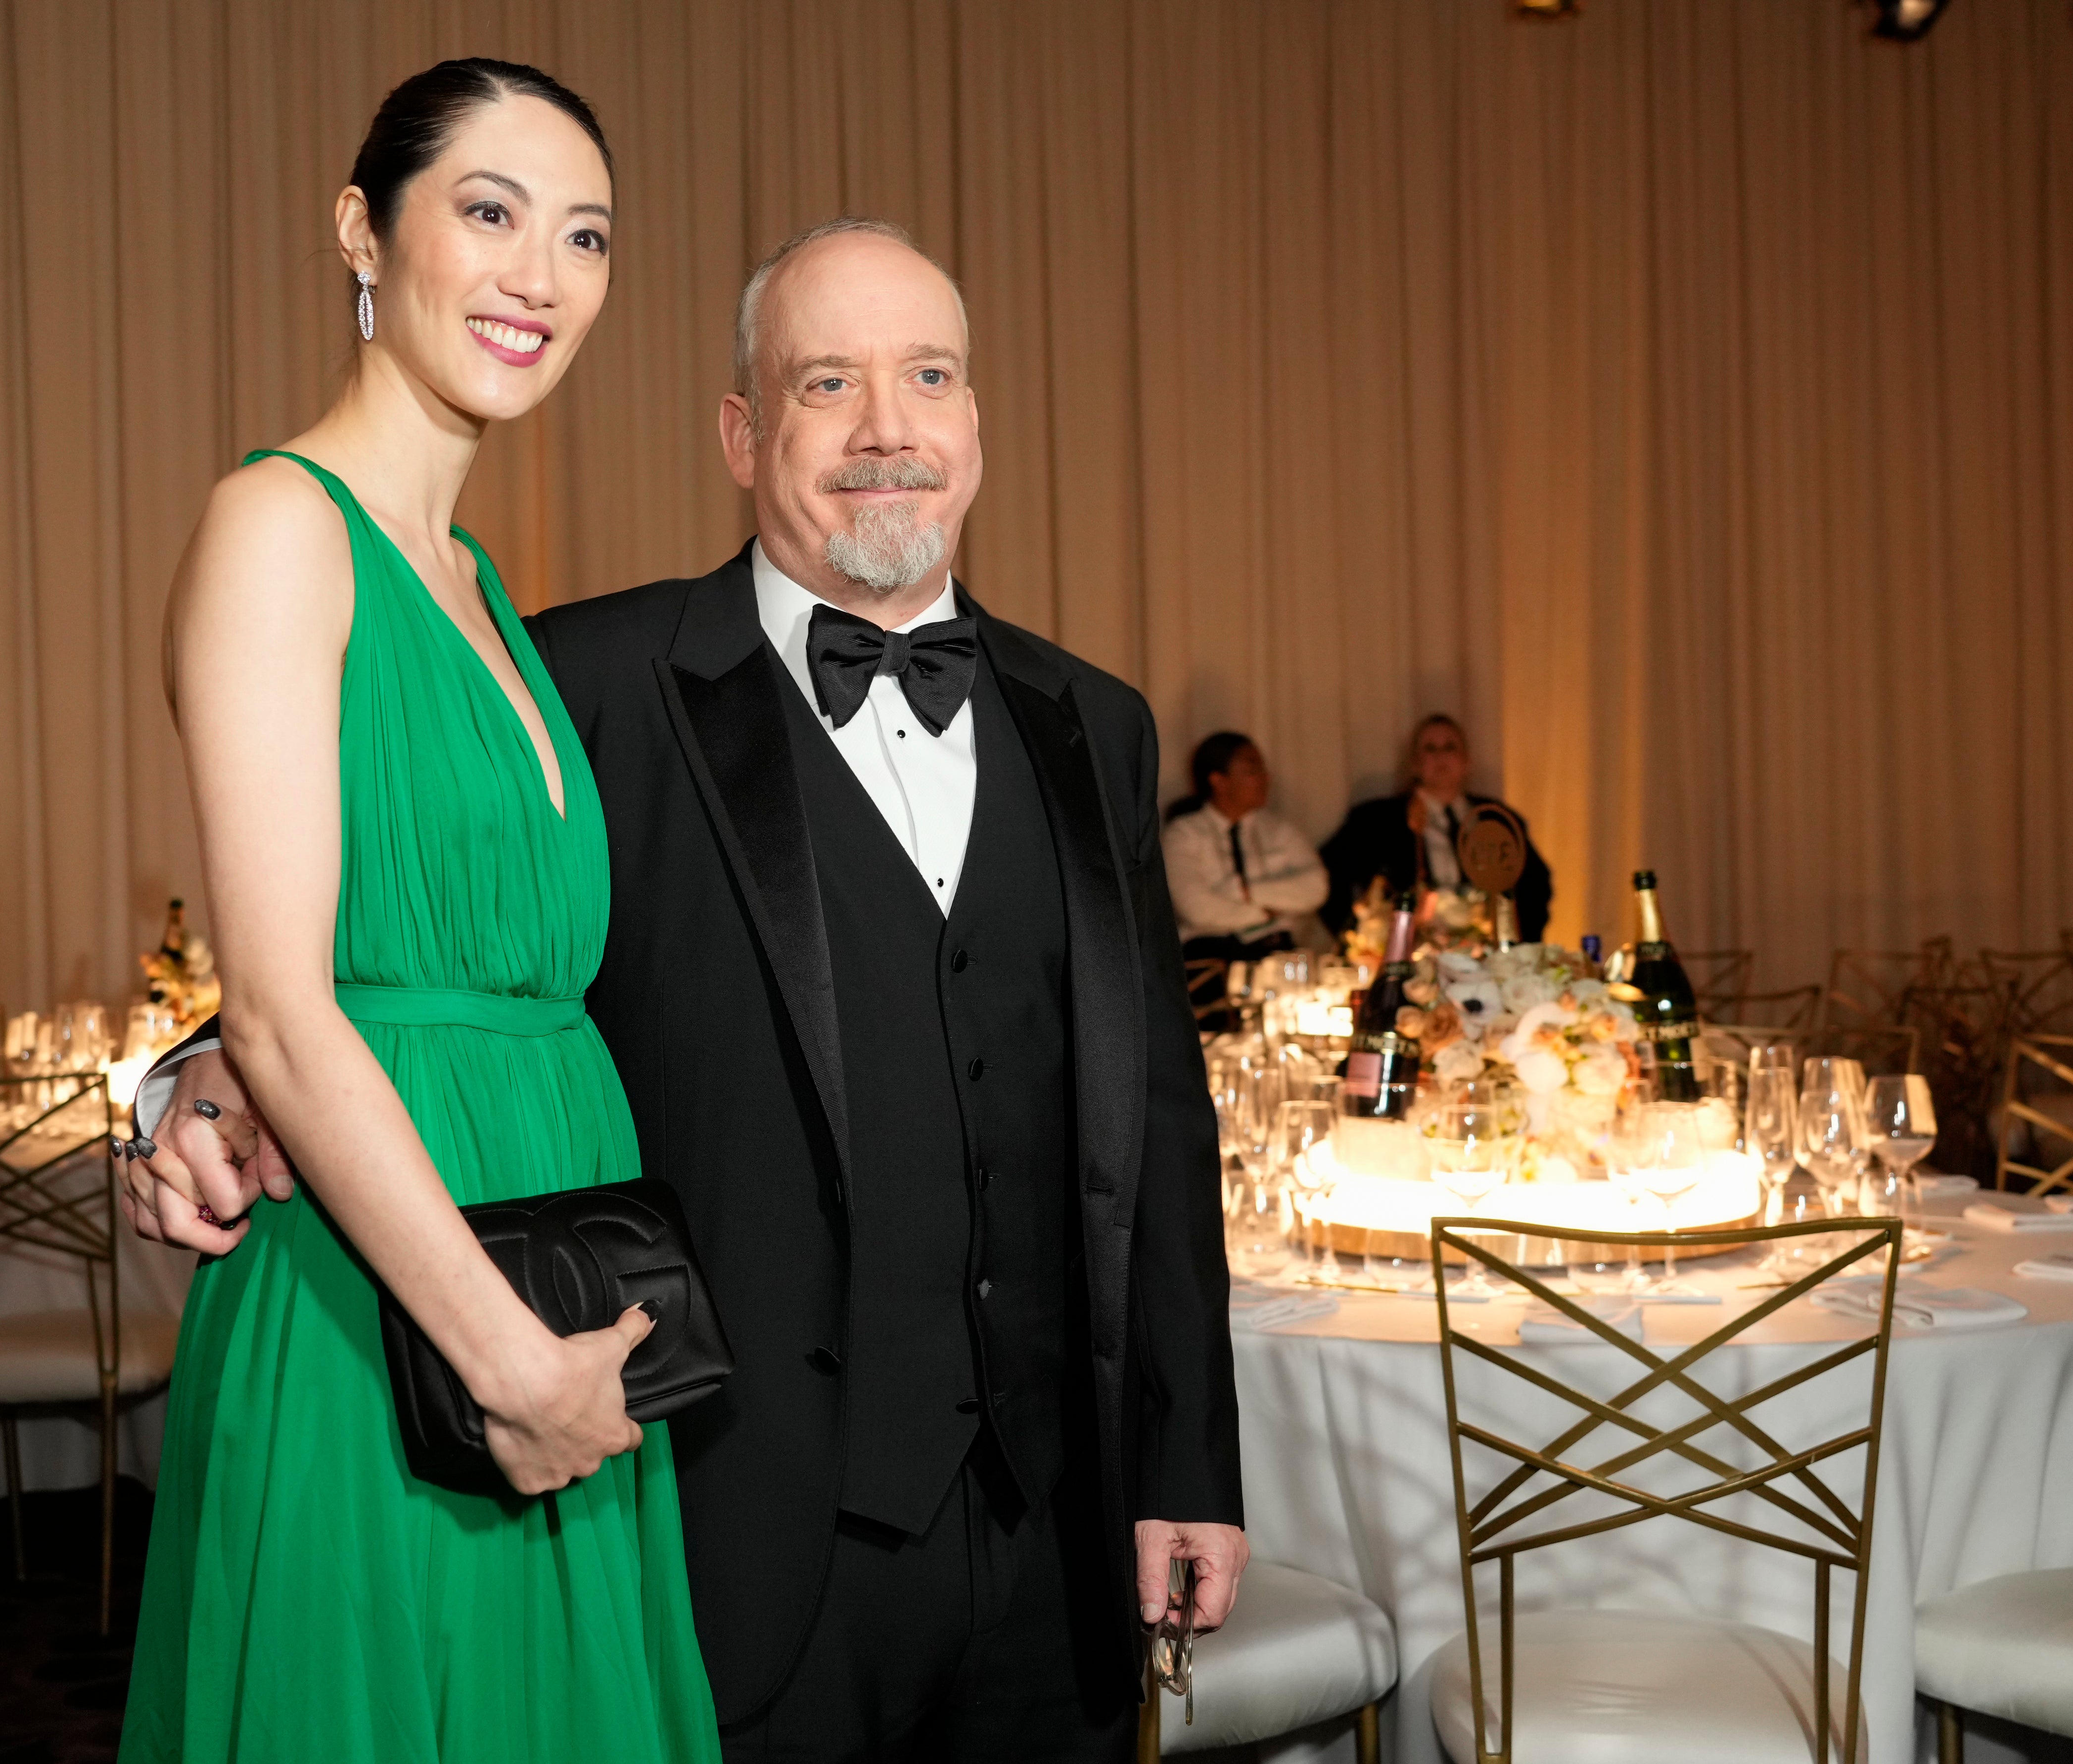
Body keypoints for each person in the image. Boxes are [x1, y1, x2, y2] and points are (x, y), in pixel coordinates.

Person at [134, 217, 1247, 1762]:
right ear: (742, 431)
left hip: (1053, 1542)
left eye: (928, 376)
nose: (886, 430)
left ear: (976, 423)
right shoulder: (579, 676)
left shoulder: (1099, 722)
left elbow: (1160, 1128)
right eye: (825, 383)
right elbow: (409, 933)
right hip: (733, 1522)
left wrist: (1184, 1456)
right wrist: (208, 1067)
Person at [110, 61, 717, 1764]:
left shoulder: (477, 585)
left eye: (583, 235)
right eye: (490, 211)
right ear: (360, 231)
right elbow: (290, 1008)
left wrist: (548, 1365)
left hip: (546, 1295)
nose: (539, 275)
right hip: (399, 1322)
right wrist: (503, 1364)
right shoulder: (275, 529)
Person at [1317, 711, 1553, 942]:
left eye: (1450, 748)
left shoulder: (1496, 819)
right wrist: (1358, 939)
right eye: (1430, 749)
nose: (1441, 757)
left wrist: (1518, 943)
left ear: (1466, 761)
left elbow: (1536, 885)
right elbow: (1329, 875)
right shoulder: (1375, 820)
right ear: (1416, 763)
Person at [1164, 731, 1326, 1028]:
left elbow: (1316, 887)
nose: (1264, 779)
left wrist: (1244, 891)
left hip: (1278, 956)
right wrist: (1266, 913)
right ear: (1219, 780)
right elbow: (1196, 908)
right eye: (1252, 770)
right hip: (1213, 963)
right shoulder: (1184, 834)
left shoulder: (1279, 829)